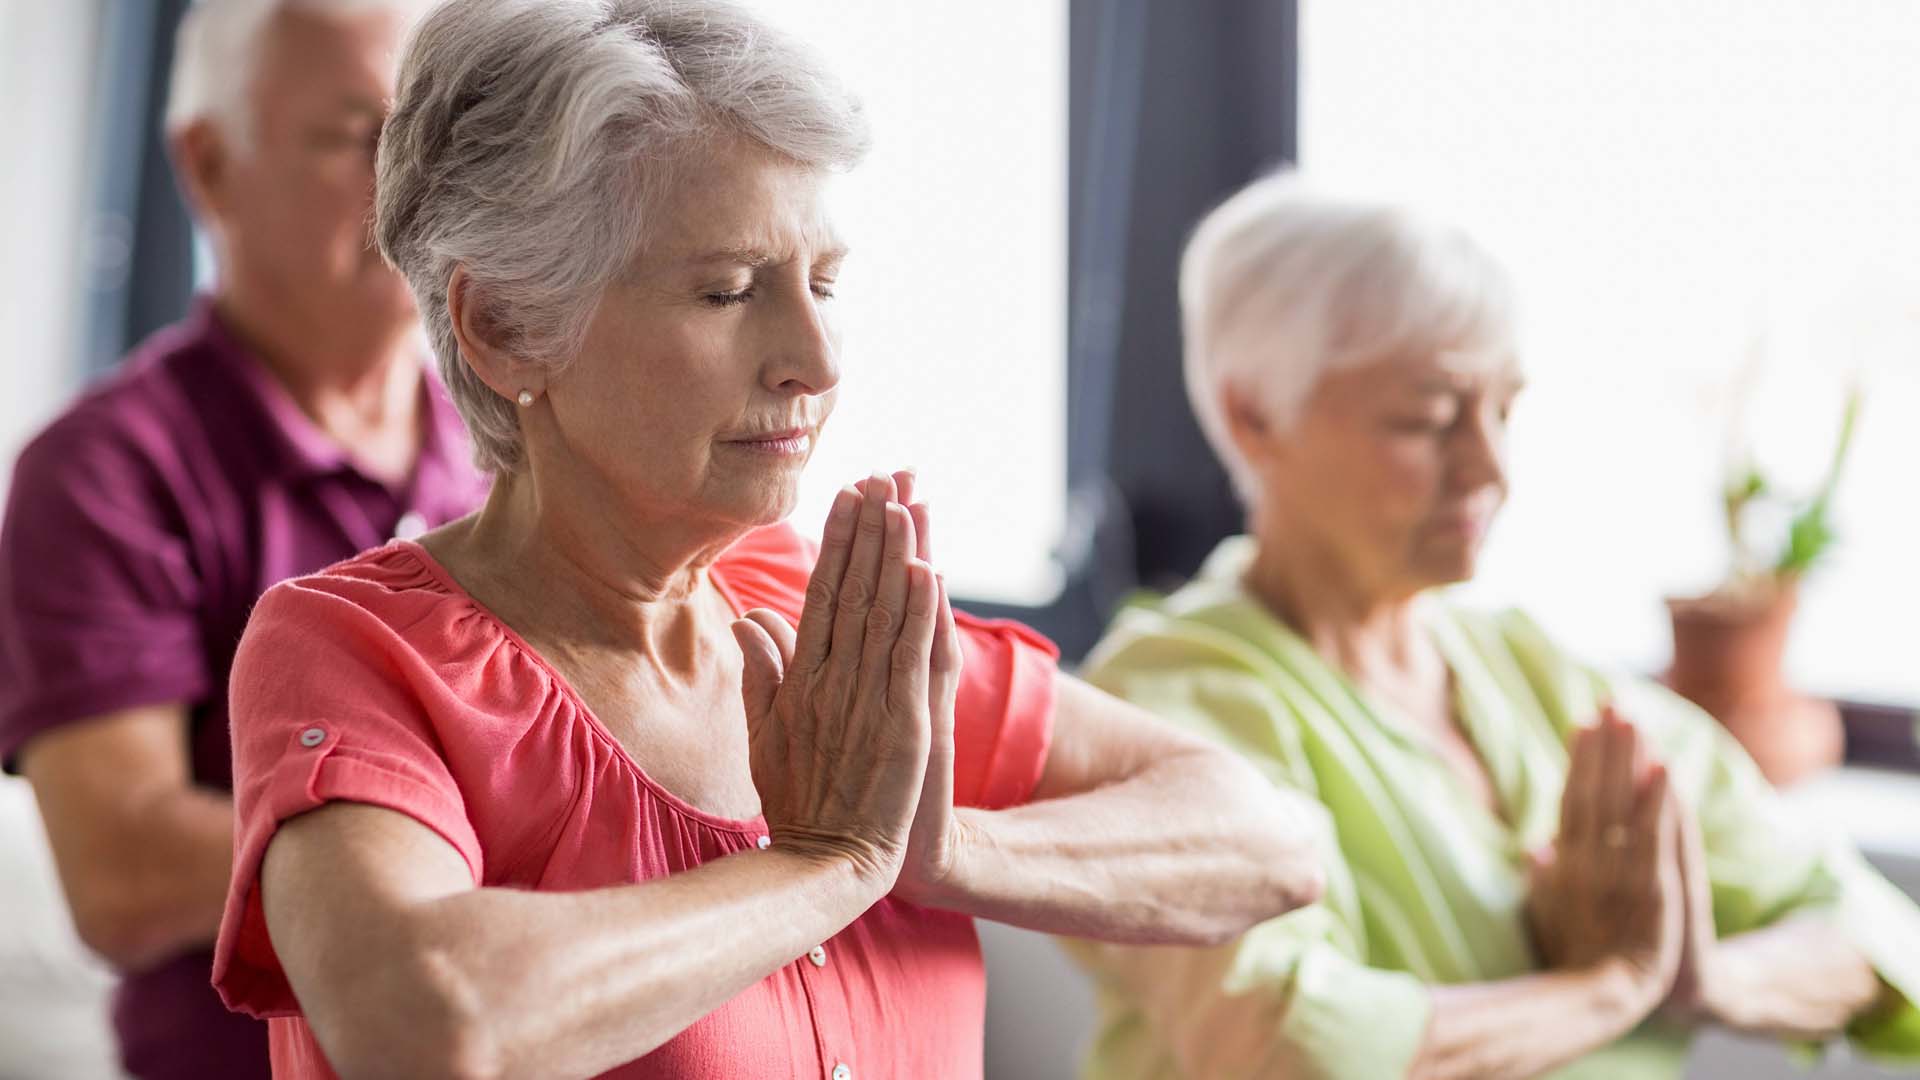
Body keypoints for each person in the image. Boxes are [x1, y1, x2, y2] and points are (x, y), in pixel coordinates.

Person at [207, 3, 1326, 1077]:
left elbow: (1274, 843)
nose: (818, 359)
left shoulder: (809, 603)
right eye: (730, 290)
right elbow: (429, 1023)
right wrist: (824, 867)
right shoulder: (355, 652)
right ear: (504, 328)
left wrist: (932, 853)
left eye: (825, 282)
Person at [1064, 174, 1920, 1079]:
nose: (1490, 468)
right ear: (1255, 414)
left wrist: (1697, 975)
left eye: (1505, 410)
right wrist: (1609, 985)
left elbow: (1868, 927)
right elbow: (1287, 1044)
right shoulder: (1167, 696)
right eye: (1428, 419)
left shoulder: (1531, 670)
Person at [0, 2, 486, 1077]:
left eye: (429, 140)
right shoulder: (104, 471)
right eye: (359, 137)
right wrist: (475, 853)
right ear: (212, 166)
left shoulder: (509, 444)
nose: (413, 188)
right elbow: (119, 870)